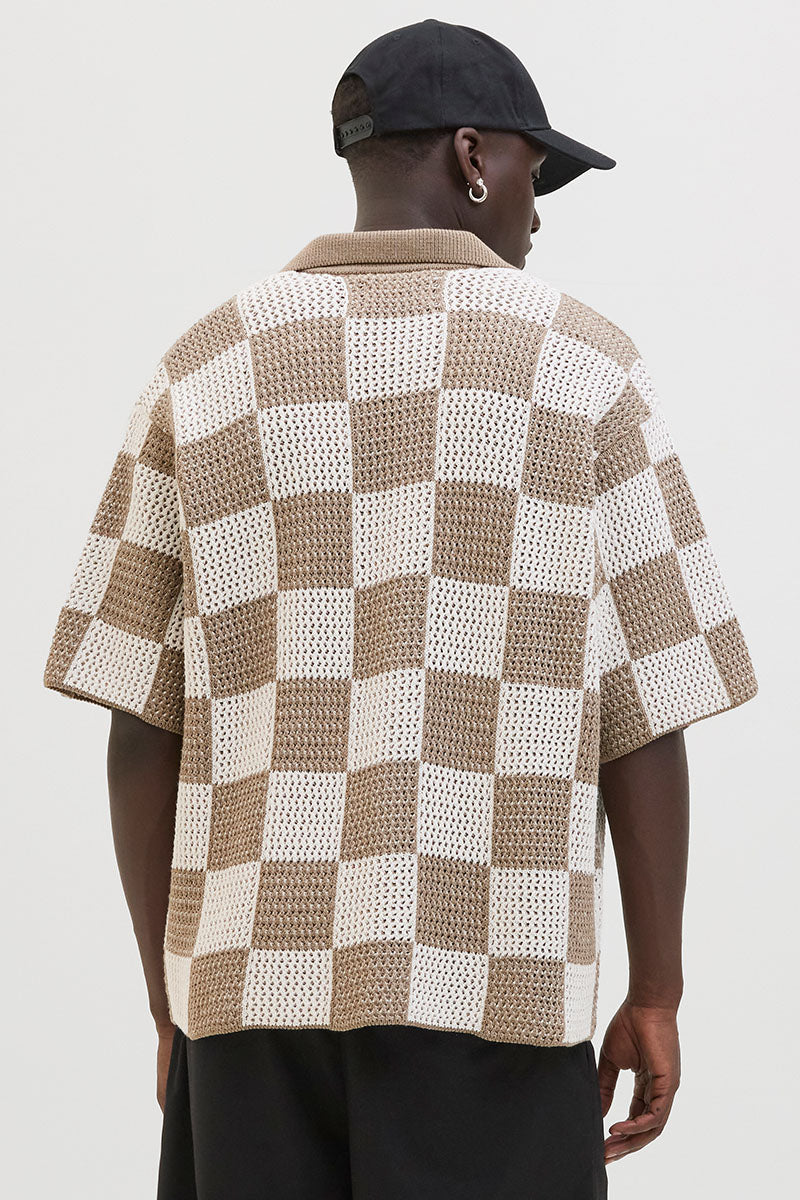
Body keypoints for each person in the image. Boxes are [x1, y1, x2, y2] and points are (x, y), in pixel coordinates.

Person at [42, 18, 758, 1200]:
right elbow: (642, 711)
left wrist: (170, 999)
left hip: (248, 1003)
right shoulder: (583, 368)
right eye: (534, 171)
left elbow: (139, 718)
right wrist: (656, 989)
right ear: (473, 157)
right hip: (494, 996)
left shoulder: (202, 366)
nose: (537, 213)